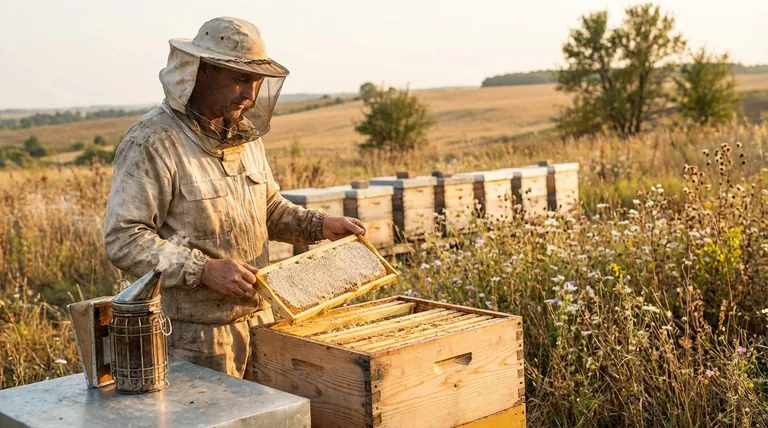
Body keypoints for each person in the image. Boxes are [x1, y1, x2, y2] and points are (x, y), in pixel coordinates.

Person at [103, 16, 366, 378]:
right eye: (240, 79)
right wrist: (203, 270)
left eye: (257, 81)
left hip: (263, 322)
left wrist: (319, 225)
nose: (250, 94)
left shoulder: (244, 136)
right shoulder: (153, 141)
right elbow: (124, 238)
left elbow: (269, 209)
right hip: (192, 338)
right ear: (204, 71)